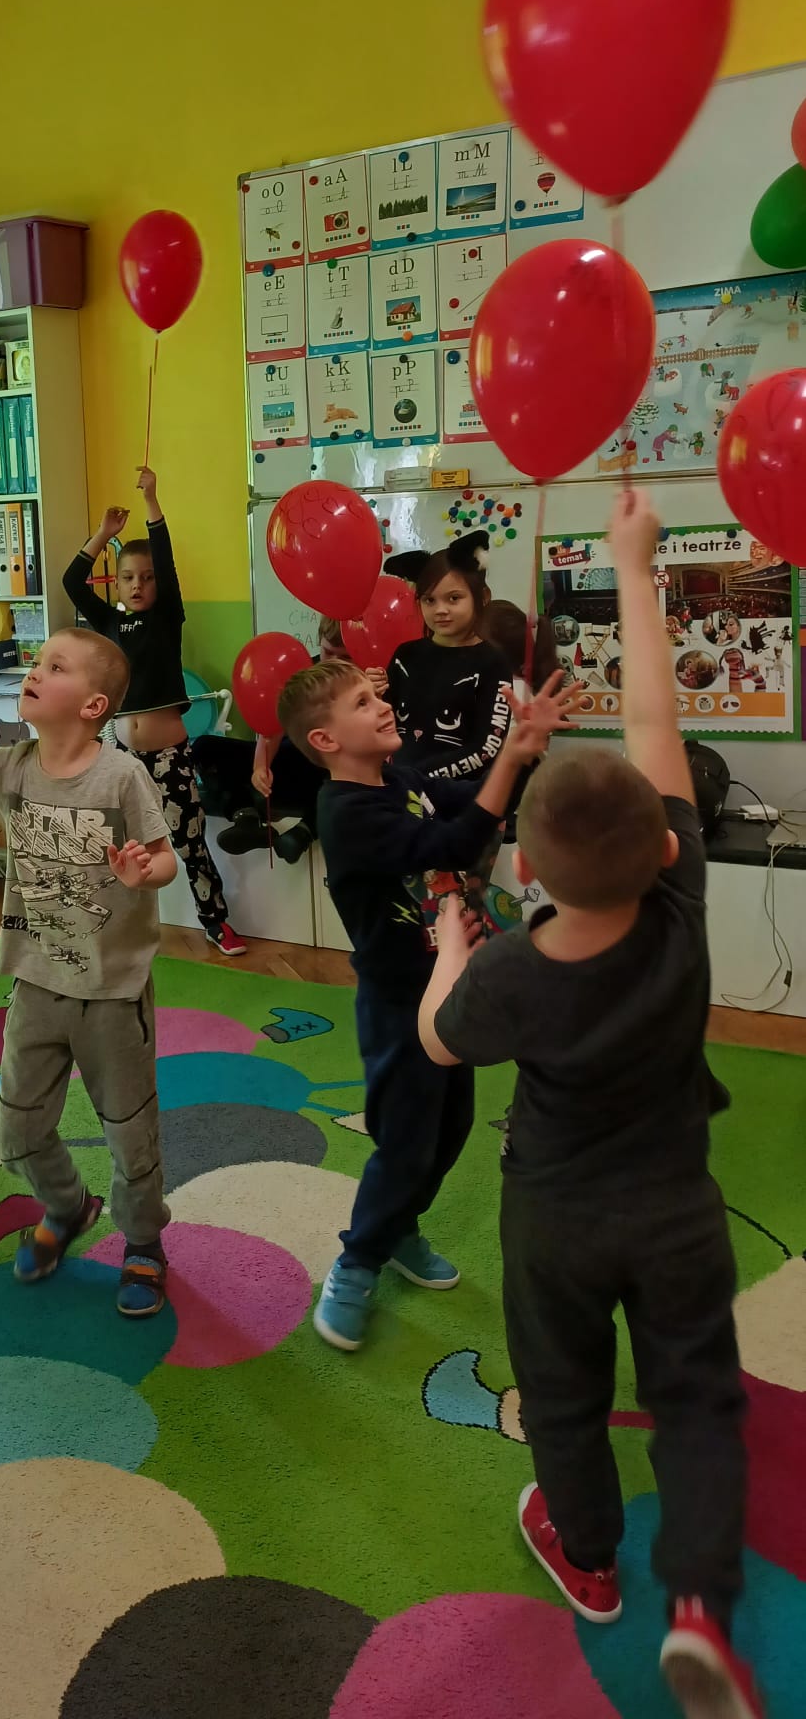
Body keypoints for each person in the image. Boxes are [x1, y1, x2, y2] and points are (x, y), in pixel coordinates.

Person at [420, 488, 762, 1719]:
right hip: (676, 1211)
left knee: (562, 1392)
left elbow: (439, 1041)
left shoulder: (511, 970)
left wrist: (449, 949)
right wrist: (634, 562)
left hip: (555, 1220)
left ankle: (592, 1558)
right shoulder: (678, 903)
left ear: (526, 869)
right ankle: (698, 1603)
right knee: (697, 1396)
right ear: (669, 845)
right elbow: (659, 713)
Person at [278, 655, 571, 1352]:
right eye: (361, 702)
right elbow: (457, 840)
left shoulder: (401, 778)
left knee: (451, 1128)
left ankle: (400, 1229)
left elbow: (473, 801)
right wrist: (509, 762)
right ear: (325, 740)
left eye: (374, 694)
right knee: (404, 1141)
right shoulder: (345, 813)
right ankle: (357, 1261)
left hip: (450, 986)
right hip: (398, 1002)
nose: (382, 704)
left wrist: (522, 753)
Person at [0, 616, 179, 1317]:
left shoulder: (121, 775)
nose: (35, 670)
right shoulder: (11, 765)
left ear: (93, 705)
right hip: (35, 981)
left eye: (57, 666)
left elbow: (165, 859)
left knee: (130, 1132)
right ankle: (68, 1206)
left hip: (112, 991)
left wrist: (143, 872)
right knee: (15, 1132)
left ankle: (143, 1241)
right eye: (39, 660)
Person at [64, 465, 244, 955]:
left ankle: (216, 922)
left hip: (168, 757)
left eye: (146, 578)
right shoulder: (109, 622)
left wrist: (151, 502)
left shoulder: (167, 617)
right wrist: (104, 533)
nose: (138, 585)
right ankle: (112, 924)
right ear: (117, 584)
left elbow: (164, 559)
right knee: (116, 846)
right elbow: (72, 582)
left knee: (190, 843)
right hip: (121, 758)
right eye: (127, 578)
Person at [230, 618, 387, 863]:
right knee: (207, 748)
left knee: (341, 776)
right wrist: (260, 766)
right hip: (297, 755)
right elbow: (271, 727)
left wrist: (371, 696)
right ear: (319, 643)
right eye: (328, 652)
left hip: (339, 767)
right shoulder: (303, 672)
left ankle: (304, 832)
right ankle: (246, 819)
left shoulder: (369, 681)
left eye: (345, 657)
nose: (334, 662)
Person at [386, 535, 514, 782]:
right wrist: (371, 694)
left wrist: (420, 778)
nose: (440, 610)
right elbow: (381, 723)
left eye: (454, 598)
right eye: (429, 600)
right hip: (400, 790)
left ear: (483, 597)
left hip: (458, 796)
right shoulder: (405, 655)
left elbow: (487, 748)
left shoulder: (493, 663)